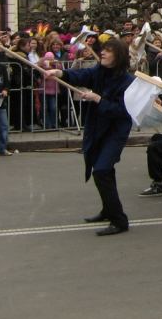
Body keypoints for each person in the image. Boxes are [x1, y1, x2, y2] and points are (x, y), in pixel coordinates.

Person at [44, 37, 134, 236]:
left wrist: (98, 99)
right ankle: (107, 209)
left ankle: (119, 220)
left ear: (118, 56)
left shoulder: (129, 81)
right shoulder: (99, 71)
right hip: (97, 127)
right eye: (103, 49)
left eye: (108, 50)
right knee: (102, 168)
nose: (102, 52)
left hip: (115, 131)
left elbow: (124, 111)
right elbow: (80, 75)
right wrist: (59, 72)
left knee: (101, 170)